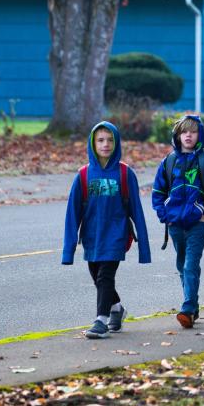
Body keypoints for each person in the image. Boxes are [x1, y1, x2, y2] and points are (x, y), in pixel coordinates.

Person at [62, 121, 151, 339]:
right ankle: (116, 309)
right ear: (92, 143)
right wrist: (68, 250)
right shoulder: (83, 175)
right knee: (97, 276)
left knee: (105, 276)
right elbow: (72, 214)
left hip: (117, 235)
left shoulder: (124, 173)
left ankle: (100, 321)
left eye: (110, 140)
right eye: (100, 140)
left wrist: (144, 249)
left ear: (117, 142)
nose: (105, 144)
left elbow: (136, 211)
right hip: (92, 237)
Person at [151, 115, 204, 328]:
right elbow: (157, 193)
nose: (188, 135)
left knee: (191, 264)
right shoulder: (169, 162)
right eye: (184, 132)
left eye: (192, 131)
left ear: (200, 134)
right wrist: (165, 216)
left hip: (198, 224)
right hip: (174, 225)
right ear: (177, 135)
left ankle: (188, 307)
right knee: (182, 265)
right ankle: (193, 307)